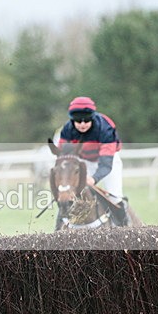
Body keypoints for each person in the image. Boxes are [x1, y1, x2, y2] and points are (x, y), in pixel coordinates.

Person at [57, 96, 130, 226]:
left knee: (115, 198)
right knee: (66, 195)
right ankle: (58, 229)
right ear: (72, 120)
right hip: (83, 161)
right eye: (78, 120)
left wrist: (94, 179)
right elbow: (64, 158)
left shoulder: (105, 128)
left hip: (109, 161)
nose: (82, 124)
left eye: (86, 120)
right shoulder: (67, 130)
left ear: (92, 117)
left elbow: (106, 164)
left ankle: (125, 229)